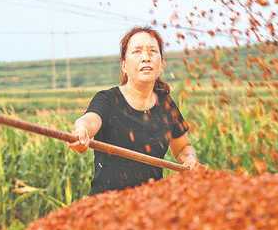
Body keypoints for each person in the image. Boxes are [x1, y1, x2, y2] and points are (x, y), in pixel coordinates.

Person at [68, 26, 199, 194]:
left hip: (149, 206)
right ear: (124, 65)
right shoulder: (108, 100)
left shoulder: (166, 105)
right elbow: (89, 121)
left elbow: (182, 147)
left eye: (153, 51)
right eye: (137, 51)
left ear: (162, 64)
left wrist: (189, 158)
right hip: (107, 206)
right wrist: (81, 131)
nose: (146, 57)